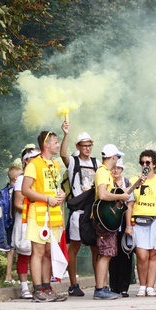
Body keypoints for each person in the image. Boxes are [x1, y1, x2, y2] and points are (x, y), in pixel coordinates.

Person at [21, 131, 67, 302]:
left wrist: (61, 195)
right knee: (38, 252)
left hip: (54, 215)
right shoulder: (33, 164)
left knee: (49, 252)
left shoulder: (55, 165)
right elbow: (26, 190)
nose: (57, 145)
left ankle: (47, 287)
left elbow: (56, 188)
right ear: (46, 144)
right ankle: (38, 289)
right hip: (39, 214)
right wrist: (47, 198)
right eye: (55, 142)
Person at [125, 150, 156, 297]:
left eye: (148, 163)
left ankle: (150, 286)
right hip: (139, 221)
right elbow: (129, 205)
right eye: (143, 162)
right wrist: (128, 225)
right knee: (142, 255)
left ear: (154, 164)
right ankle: (142, 285)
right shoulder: (134, 180)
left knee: (154, 254)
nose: (145, 165)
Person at [60, 124, 98, 297]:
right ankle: (73, 284)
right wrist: (65, 135)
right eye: (84, 145)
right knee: (74, 246)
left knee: (95, 247)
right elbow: (63, 155)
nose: (87, 148)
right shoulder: (74, 162)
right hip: (78, 210)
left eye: (89, 145)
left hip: (92, 211)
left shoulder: (96, 163)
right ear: (78, 147)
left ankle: (100, 283)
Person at [91, 144, 130, 300]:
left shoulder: (106, 173)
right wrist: (120, 197)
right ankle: (100, 289)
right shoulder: (102, 172)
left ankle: (103, 287)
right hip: (103, 220)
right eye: (117, 157)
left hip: (107, 218)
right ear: (113, 157)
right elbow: (102, 194)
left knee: (106, 253)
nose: (117, 160)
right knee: (105, 254)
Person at [13, 146, 39, 299]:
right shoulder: (21, 179)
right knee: (24, 253)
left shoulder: (38, 178)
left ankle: (39, 286)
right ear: (26, 161)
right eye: (34, 158)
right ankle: (24, 287)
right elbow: (18, 203)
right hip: (25, 220)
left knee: (38, 252)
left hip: (37, 219)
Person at [108, 160, 133, 297]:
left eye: (118, 168)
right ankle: (113, 286)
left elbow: (130, 203)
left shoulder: (128, 182)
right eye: (114, 168)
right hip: (110, 221)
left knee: (126, 254)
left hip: (124, 222)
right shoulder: (107, 181)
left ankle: (124, 287)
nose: (116, 170)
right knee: (112, 255)